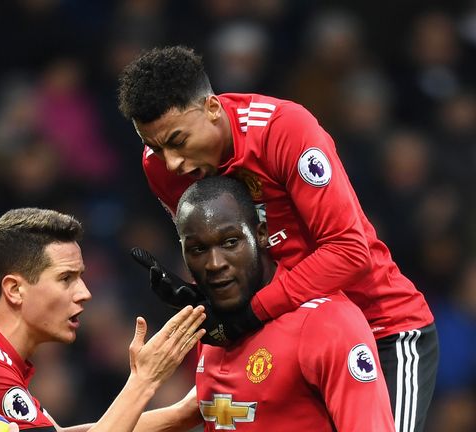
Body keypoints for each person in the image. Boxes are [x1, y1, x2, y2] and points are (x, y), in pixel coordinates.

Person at [117, 46, 437, 432]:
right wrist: (202, 297)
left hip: (378, 326)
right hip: (283, 334)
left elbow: (350, 251)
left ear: (213, 109)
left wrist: (251, 312)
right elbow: (221, 247)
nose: (171, 163)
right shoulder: (161, 168)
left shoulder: (282, 130)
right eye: (154, 146)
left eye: (178, 140)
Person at [134, 175, 395, 431]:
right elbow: (205, 408)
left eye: (230, 242)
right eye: (198, 249)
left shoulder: (327, 324)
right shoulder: (216, 327)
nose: (215, 264)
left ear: (261, 234)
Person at [0, 208, 206, 431]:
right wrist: (144, 380)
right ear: (14, 290)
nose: (85, 293)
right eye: (66, 278)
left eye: (80, 277)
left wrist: (184, 412)